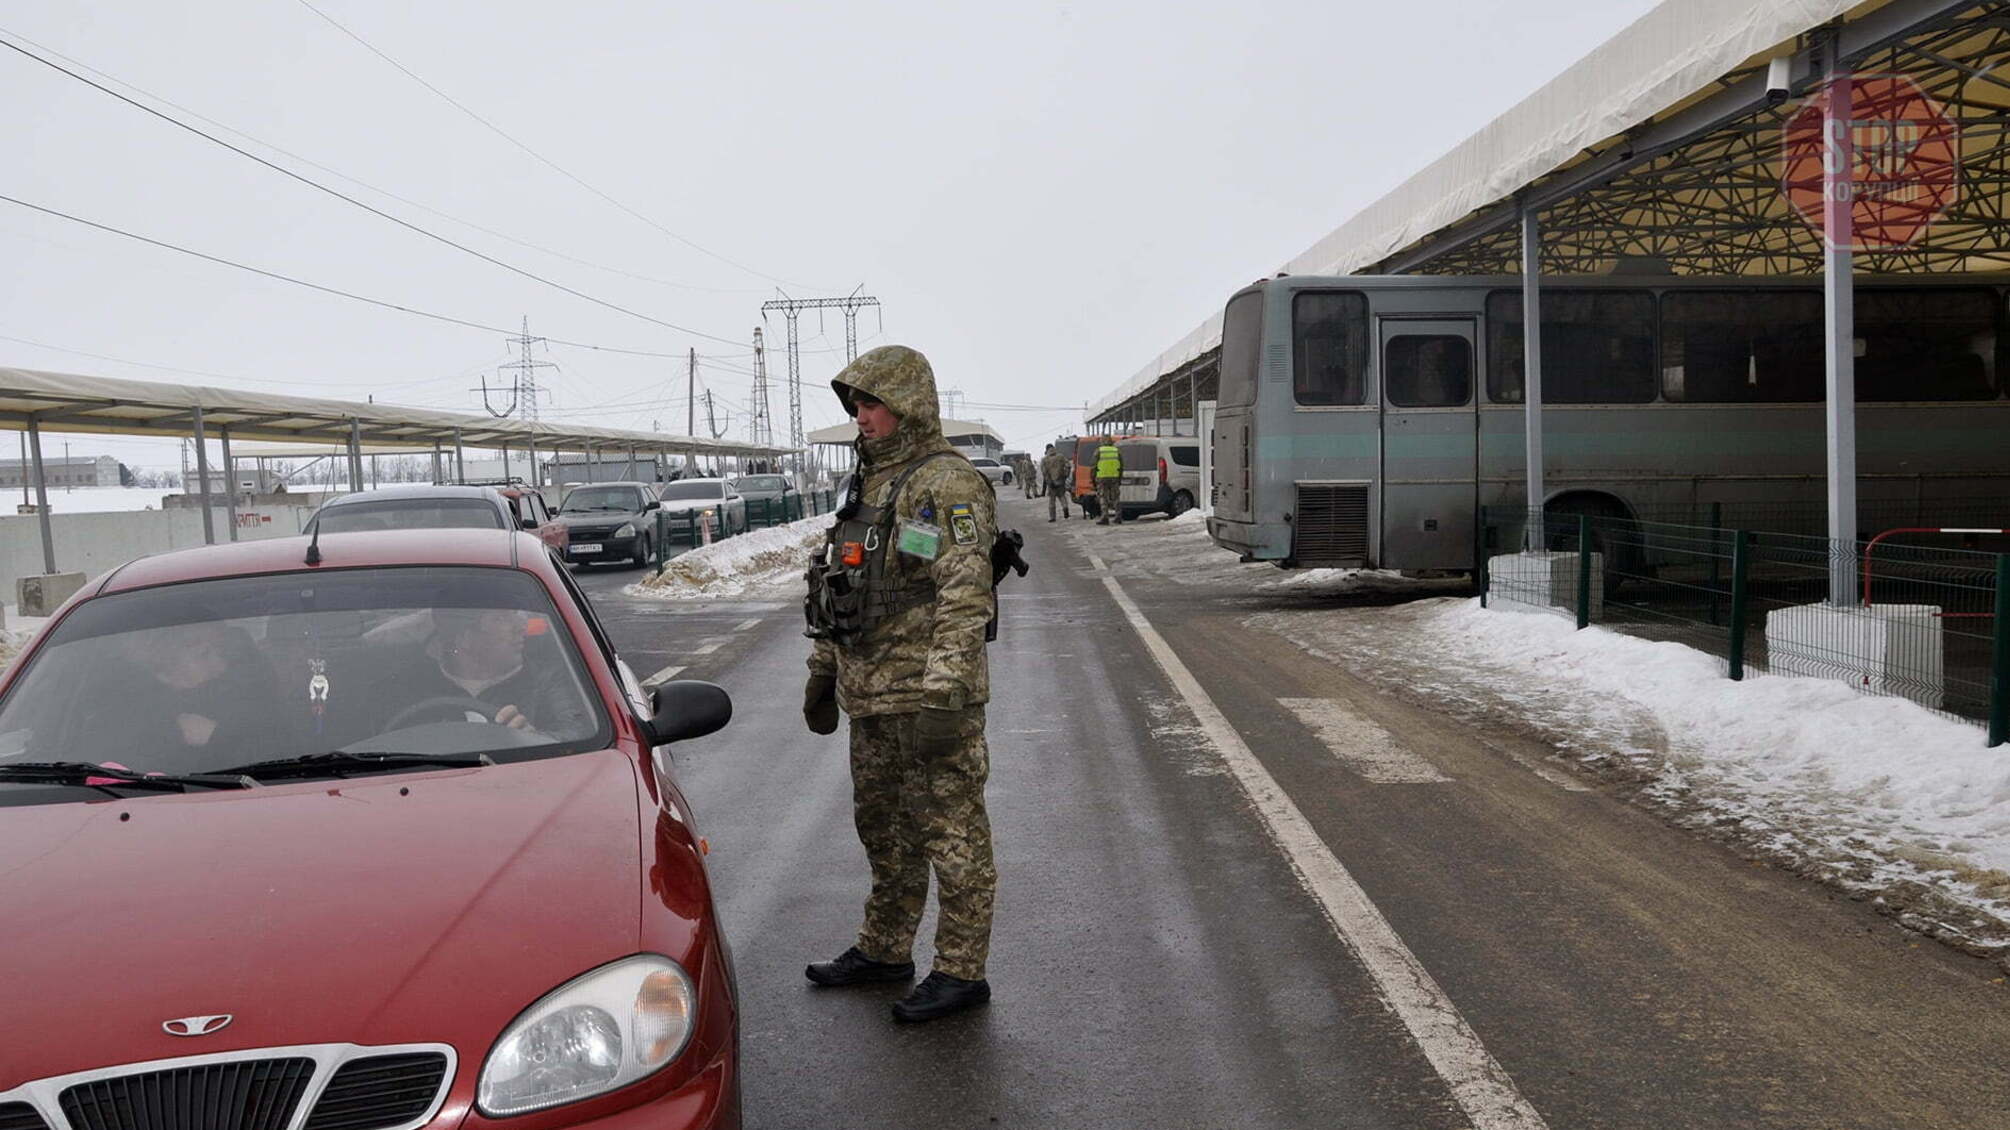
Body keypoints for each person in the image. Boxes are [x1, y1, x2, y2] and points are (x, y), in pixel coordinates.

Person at [801, 344, 999, 1024]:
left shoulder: (944, 482)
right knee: (883, 830)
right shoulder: (868, 483)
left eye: (873, 403)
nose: (862, 416)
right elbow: (839, 585)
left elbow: (964, 598)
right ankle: (885, 948)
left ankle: (961, 971)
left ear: (908, 406)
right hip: (871, 696)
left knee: (953, 835)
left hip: (926, 696)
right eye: (856, 404)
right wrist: (823, 671)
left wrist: (945, 695)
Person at [1093, 435, 1123, 525]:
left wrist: (1093, 478)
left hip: (1102, 477)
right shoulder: (1116, 451)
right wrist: (1119, 478)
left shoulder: (1099, 451)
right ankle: (1118, 516)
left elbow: (1093, 466)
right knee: (1116, 497)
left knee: (1103, 497)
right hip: (1114, 477)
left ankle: (1105, 517)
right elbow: (1121, 466)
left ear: (1102, 441)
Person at [1040, 443, 1072, 522]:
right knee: (1062, 496)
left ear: (1046, 450)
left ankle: (1052, 517)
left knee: (1052, 500)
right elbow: (1068, 465)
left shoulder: (1044, 459)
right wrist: (1066, 475)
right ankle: (1065, 507)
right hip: (1061, 480)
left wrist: (1049, 481)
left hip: (1051, 482)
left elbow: (1044, 472)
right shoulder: (1060, 456)